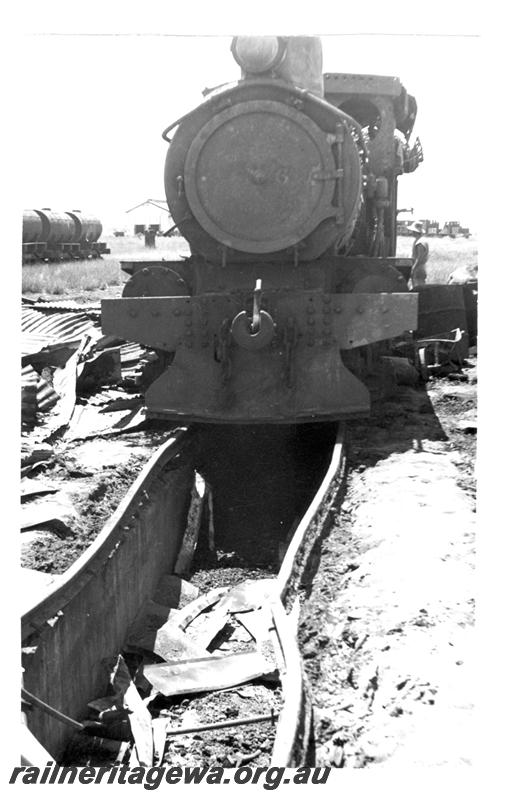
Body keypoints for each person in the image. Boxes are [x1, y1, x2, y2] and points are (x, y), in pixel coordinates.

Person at [407, 221, 429, 289]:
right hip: (419, 267)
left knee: (418, 288)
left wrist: (413, 268)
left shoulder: (420, 242)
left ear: (415, 232)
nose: (411, 233)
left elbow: (419, 258)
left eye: (413, 231)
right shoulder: (419, 240)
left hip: (418, 268)